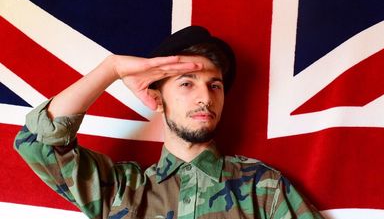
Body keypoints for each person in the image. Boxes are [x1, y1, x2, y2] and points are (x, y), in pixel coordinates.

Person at [15, 26, 324, 219]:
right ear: (158, 99)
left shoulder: (261, 186)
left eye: (214, 85)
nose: (205, 97)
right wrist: (111, 69)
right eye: (187, 84)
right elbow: (38, 142)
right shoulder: (123, 189)